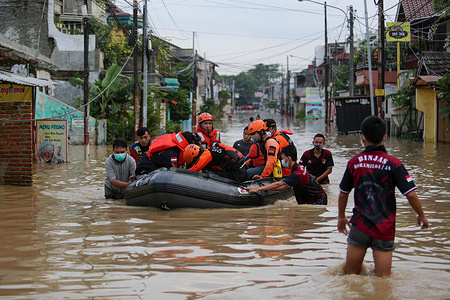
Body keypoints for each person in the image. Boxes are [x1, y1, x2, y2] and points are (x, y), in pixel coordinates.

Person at [337, 116, 429, 277]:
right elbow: (411, 195)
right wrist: (421, 215)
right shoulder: (394, 163)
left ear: (362, 138)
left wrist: (341, 217)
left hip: (359, 225)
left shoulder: (354, 162)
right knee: (383, 280)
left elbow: (343, 193)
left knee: (350, 275)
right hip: (384, 227)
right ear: (384, 138)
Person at [247, 144, 327, 205]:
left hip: (318, 201)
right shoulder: (298, 167)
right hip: (318, 198)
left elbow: (278, 184)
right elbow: (285, 187)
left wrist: (257, 189)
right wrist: (267, 189)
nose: (282, 161)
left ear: (289, 158)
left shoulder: (297, 174)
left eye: (282, 158)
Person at [135, 131, 199, 176]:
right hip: (145, 171)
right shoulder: (172, 153)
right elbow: (174, 173)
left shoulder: (174, 144)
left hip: (152, 168)